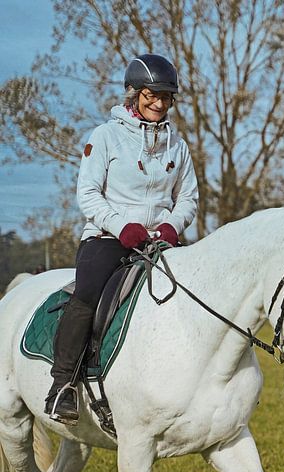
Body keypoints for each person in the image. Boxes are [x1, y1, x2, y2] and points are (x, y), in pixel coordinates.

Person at [45, 54, 199, 424]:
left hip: (161, 240)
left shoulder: (177, 146)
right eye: (152, 95)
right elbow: (88, 194)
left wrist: (171, 227)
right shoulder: (105, 136)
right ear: (133, 94)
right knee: (88, 293)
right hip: (108, 237)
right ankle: (62, 385)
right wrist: (122, 226)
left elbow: (189, 198)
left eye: (166, 97)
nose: (159, 103)